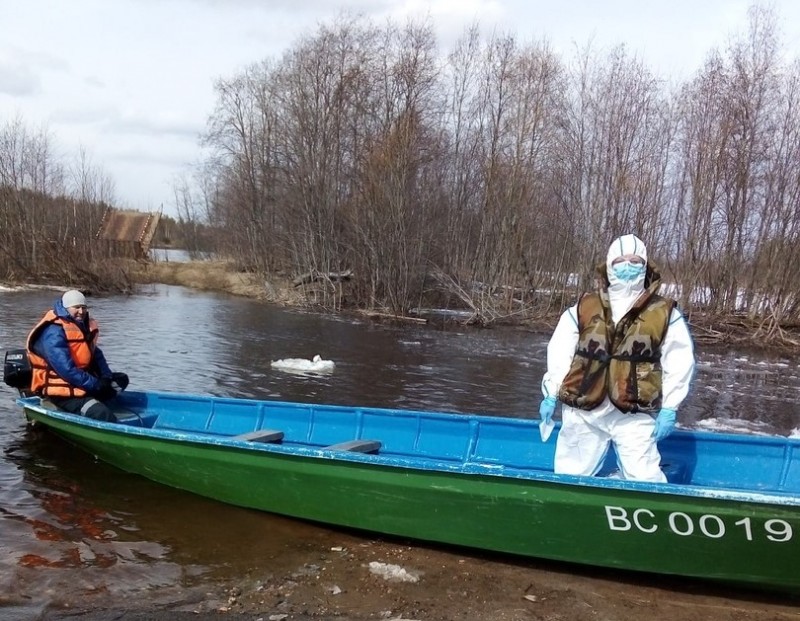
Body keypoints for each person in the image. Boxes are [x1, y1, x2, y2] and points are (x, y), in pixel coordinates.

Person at [538, 234, 695, 483]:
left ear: (645, 266)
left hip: (634, 410)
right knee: (571, 473)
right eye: (620, 260)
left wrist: (670, 407)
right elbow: (560, 351)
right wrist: (551, 392)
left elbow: (679, 361)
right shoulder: (584, 307)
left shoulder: (665, 313)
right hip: (584, 408)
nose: (627, 266)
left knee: (644, 476)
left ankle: (644, 514)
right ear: (609, 264)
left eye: (635, 260)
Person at [26, 289, 129, 422]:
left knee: (121, 380)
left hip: (81, 383)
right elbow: (66, 370)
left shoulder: (81, 327)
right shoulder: (53, 332)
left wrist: (105, 378)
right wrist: (95, 385)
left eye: (84, 307)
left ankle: (96, 400)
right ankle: (58, 405)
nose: (81, 311)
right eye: (77, 307)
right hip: (62, 391)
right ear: (67, 308)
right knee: (101, 413)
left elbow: (97, 355)